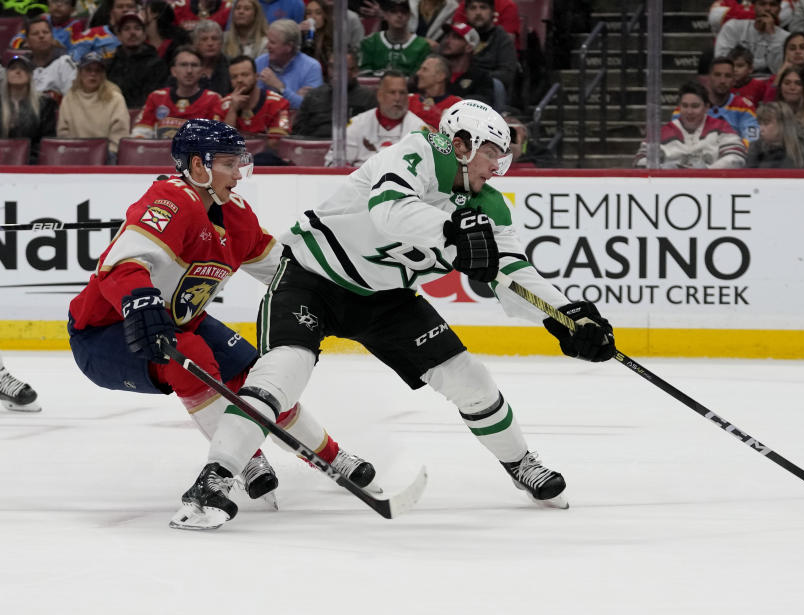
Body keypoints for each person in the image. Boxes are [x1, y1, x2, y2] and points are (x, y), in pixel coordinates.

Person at [175, 99, 612, 529]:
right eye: (491, 154)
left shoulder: (489, 208)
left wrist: (569, 316)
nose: (497, 168)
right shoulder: (417, 152)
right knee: (281, 375)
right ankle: (213, 480)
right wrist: (453, 235)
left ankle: (520, 464)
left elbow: (513, 272)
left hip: (386, 299)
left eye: (503, 157)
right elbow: (389, 211)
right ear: (461, 144)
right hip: (312, 277)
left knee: (469, 378)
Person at [68, 119, 377, 529]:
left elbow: (283, 271)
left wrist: (340, 295)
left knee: (257, 376)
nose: (238, 173)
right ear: (198, 167)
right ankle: (233, 466)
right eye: (229, 163)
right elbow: (120, 267)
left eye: (239, 163)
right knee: (190, 355)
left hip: (180, 321)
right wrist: (140, 298)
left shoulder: (237, 216)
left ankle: (329, 455)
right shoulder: (169, 202)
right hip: (106, 335)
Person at [325, 69, 428, 166]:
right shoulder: (357, 124)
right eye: (392, 93)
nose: (398, 98)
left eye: (402, 93)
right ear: (379, 95)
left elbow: (428, 170)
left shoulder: (419, 129)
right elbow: (332, 164)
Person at [635, 82, 747, 168]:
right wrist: (664, 171)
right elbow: (640, 161)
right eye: (685, 106)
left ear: (707, 107)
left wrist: (708, 171)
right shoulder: (662, 133)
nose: (689, 111)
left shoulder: (721, 128)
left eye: (695, 106)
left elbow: (736, 158)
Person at [132, 46, 222, 138]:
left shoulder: (213, 99)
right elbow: (140, 134)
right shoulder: (156, 97)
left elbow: (216, 138)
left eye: (194, 65)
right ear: (173, 71)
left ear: (202, 71)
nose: (189, 71)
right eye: (183, 65)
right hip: (159, 151)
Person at [56, 51, 130, 161]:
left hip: (108, 156)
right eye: (88, 70)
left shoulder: (115, 98)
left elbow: (119, 133)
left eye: (98, 71)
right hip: (75, 154)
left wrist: (107, 153)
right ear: (80, 73)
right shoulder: (69, 98)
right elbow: (63, 131)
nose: (93, 74)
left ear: (103, 75)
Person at [292, 50, 377, 138]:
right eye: (332, 67)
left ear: (355, 71)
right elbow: (297, 134)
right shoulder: (313, 96)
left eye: (341, 68)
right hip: (315, 147)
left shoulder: (368, 98)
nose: (335, 73)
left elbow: (373, 135)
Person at [254, 19, 324, 110]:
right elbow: (254, 103)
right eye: (268, 41)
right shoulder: (259, 62)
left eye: (272, 42)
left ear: (289, 47)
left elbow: (311, 107)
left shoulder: (311, 67)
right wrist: (294, 97)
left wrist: (280, 88)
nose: (267, 46)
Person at [0, 56, 58, 163]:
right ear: (6, 74)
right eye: (13, 68)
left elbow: (46, 141)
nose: (18, 71)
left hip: (32, 163)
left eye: (23, 69)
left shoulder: (45, 104)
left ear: (30, 75)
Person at [215, 54, 291, 135]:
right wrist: (232, 110)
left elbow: (277, 143)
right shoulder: (222, 106)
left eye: (245, 75)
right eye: (234, 77)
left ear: (256, 77)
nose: (239, 80)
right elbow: (221, 143)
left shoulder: (279, 104)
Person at [107, 11, 169, 108]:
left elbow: (155, 99)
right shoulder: (110, 64)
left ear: (144, 34)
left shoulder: (157, 64)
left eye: (137, 28)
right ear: (118, 36)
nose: (132, 33)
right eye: (126, 29)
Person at [463, 0, 517, 111]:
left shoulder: (502, 38)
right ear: (466, 13)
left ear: (493, 12)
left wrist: (479, 77)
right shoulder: (459, 36)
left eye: (483, 7)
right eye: (473, 8)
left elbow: (507, 74)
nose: (478, 12)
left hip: (488, 92)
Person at [358, 0, 432, 76]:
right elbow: (364, 76)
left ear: (409, 15)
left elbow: (418, 80)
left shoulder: (422, 46)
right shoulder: (370, 42)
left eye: (404, 12)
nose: (399, 15)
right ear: (385, 15)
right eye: (393, 11)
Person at [714, 0, 789, 73]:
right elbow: (721, 61)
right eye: (762, 4)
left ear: (779, 9)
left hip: (769, 82)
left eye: (773, 5)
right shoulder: (733, 27)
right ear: (754, 6)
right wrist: (765, 62)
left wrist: (772, 34)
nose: (767, 8)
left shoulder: (786, 37)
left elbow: (778, 70)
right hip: (735, 81)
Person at [746, 100, 804, 167]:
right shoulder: (755, 148)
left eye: (766, 123)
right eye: (759, 123)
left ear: (783, 124)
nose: (761, 129)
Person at [703, 56, 759, 143]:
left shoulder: (744, 106)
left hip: (734, 154)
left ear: (734, 80)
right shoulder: (691, 104)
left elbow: (752, 142)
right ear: (708, 78)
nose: (722, 81)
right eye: (717, 75)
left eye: (728, 76)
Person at [21, 16, 77, 101]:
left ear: (52, 38)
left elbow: (72, 100)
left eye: (46, 32)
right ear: (27, 42)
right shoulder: (22, 65)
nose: (41, 36)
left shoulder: (65, 62)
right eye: (35, 33)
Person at [441, 22, 496, 107]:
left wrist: (455, 101)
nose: (447, 41)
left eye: (456, 37)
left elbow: (483, 103)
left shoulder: (481, 77)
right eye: (448, 36)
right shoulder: (436, 72)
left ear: (469, 47)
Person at [9, 0, 88, 54]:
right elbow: (15, 40)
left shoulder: (75, 25)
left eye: (65, 2)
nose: (58, 5)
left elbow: (77, 53)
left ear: (73, 10)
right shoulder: (42, 19)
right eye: (55, 1)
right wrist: (24, 44)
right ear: (48, 4)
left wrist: (59, 46)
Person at [408, 53, 461, 129]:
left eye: (424, 69)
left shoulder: (456, 106)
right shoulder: (408, 100)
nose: (418, 73)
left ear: (440, 76)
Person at [191, 19, 231, 95]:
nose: (210, 43)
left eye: (214, 39)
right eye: (204, 39)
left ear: (221, 43)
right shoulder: (187, 66)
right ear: (195, 44)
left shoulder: (232, 65)